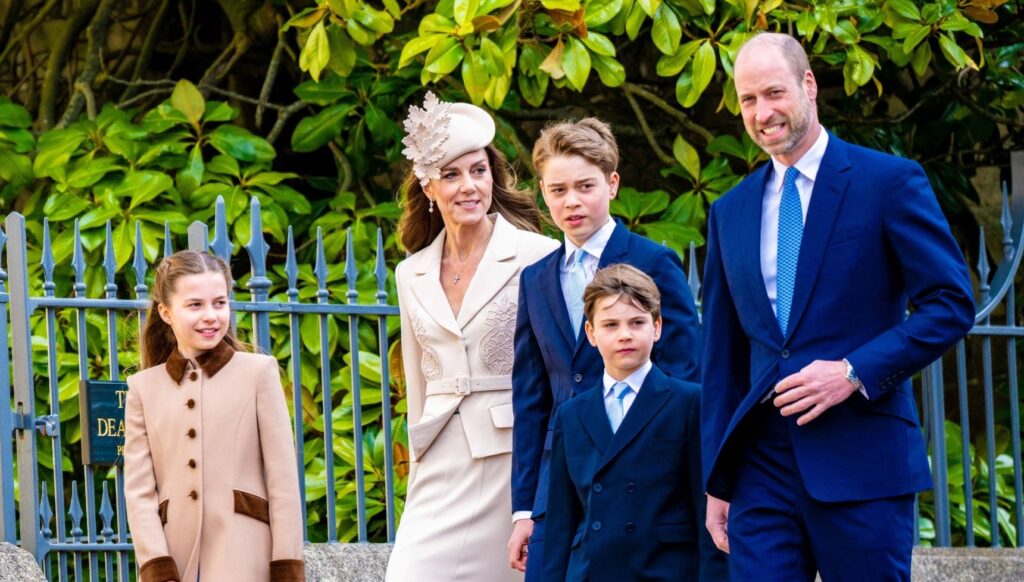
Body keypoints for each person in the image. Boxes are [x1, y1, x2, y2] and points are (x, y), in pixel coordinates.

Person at [700, 33, 975, 581]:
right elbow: (721, 358)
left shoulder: (888, 182)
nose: (762, 112)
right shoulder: (729, 211)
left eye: (773, 93)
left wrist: (853, 372)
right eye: (748, 100)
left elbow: (950, 303)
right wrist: (716, 479)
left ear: (808, 85)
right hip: (761, 469)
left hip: (863, 461)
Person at [510, 118, 714, 580]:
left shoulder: (655, 261)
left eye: (585, 186)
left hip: (645, 487)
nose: (572, 201)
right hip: (561, 489)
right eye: (557, 190)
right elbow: (532, 399)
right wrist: (525, 506)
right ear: (542, 193)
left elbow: (685, 376)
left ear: (613, 183)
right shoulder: (535, 279)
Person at [386, 92, 558, 582]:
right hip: (438, 463)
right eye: (453, 174)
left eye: (479, 171)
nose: (469, 186)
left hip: (512, 458)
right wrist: (417, 468)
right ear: (428, 186)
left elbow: (558, 371)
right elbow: (419, 386)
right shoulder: (410, 273)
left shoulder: (537, 255)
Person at [124, 250, 305, 582]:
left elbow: (283, 483)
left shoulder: (258, 373)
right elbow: (139, 491)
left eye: (220, 303)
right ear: (166, 312)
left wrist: (286, 566)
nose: (211, 315)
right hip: (174, 559)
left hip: (246, 555)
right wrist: (156, 564)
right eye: (195, 305)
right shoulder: (142, 389)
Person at [544, 264, 722, 581]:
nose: (625, 334)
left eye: (637, 322)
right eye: (610, 324)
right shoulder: (572, 414)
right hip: (591, 572)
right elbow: (561, 521)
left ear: (656, 327)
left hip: (665, 571)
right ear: (591, 334)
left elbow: (705, 510)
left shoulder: (689, 402)